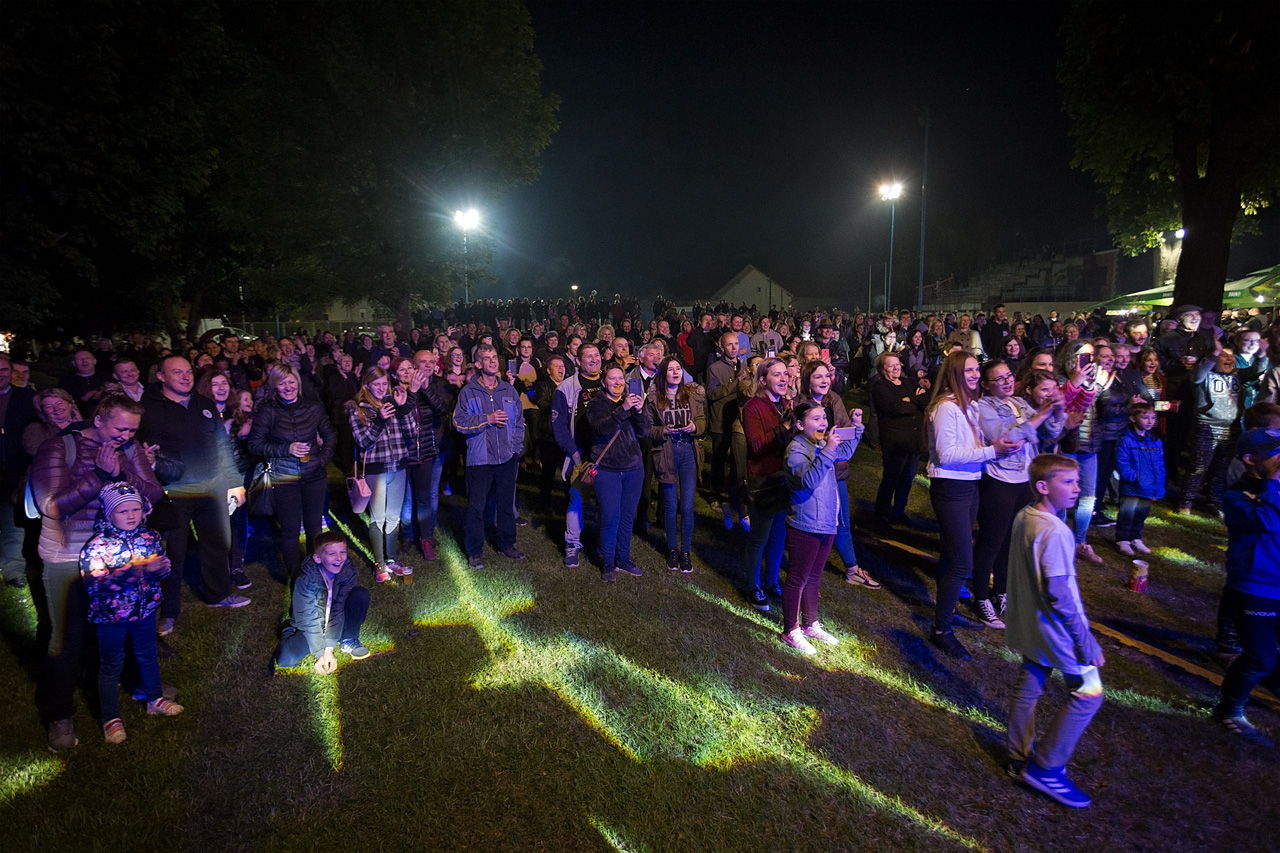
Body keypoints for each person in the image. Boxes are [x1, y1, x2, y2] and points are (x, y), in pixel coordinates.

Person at [30, 394, 164, 751]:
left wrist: (122, 472)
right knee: (67, 638)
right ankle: (59, 713)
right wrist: (100, 474)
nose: (126, 435)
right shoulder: (59, 447)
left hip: (119, 555)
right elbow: (51, 505)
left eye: (132, 430)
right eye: (120, 428)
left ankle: (144, 685)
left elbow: (154, 492)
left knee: (128, 625)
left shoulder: (129, 449)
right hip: (68, 557)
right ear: (99, 419)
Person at [1005, 454, 1105, 808]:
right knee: (1090, 692)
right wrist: (1086, 640)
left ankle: (1018, 757)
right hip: (1056, 628)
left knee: (1032, 678)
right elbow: (1060, 593)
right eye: (1068, 482)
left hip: (1030, 623)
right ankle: (1047, 767)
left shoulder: (1025, 516)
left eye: (1078, 482)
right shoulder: (1055, 531)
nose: (1077, 489)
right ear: (1043, 486)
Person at [926, 351, 1022, 660]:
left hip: (969, 486)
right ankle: (941, 630)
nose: (975, 375)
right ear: (954, 372)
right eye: (967, 370)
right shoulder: (946, 408)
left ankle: (947, 610)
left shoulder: (970, 406)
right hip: (951, 487)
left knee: (950, 555)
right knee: (962, 564)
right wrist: (991, 452)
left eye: (976, 369)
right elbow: (946, 455)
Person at [139, 356, 248, 624]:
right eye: (177, 372)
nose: (186, 376)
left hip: (211, 489)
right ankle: (169, 610)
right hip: (173, 491)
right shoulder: (147, 409)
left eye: (188, 371)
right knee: (173, 552)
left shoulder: (205, 404)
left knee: (216, 545)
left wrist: (234, 481)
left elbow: (223, 446)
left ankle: (218, 594)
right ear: (161, 376)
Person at [80, 482, 183, 744]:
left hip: (144, 611)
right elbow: (96, 584)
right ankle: (110, 718)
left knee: (148, 654)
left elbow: (160, 570)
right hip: (111, 617)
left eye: (136, 509)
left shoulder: (149, 536)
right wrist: (140, 571)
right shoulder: (97, 546)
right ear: (108, 513)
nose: (131, 515)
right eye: (122, 511)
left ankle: (154, 697)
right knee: (111, 664)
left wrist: (161, 568)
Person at [972, 362, 1067, 628]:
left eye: (1009, 375)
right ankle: (980, 599)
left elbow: (1049, 433)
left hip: (1024, 480)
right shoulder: (985, 407)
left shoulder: (1018, 403)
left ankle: (1001, 592)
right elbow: (1006, 437)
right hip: (999, 480)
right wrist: (1040, 416)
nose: (1006, 381)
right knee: (990, 542)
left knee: (1012, 543)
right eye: (998, 378)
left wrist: (1056, 411)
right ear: (986, 385)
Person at [1212, 427, 1280, 746]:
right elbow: (1268, 523)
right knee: (1260, 656)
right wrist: (1274, 484)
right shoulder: (1236, 495)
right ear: (1252, 460)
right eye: (1275, 454)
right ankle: (1230, 709)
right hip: (1255, 587)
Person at [778, 400, 861, 654]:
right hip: (806, 523)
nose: (823, 423)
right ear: (801, 425)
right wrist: (827, 451)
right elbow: (807, 480)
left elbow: (844, 454)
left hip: (826, 521)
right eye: (816, 419)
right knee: (797, 579)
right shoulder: (796, 450)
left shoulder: (820, 444)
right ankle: (790, 630)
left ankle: (810, 623)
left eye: (824, 418)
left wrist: (856, 429)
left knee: (814, 576)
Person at [249, 362, 337, 578]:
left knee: (314, 528)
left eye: (291, 381)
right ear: (274, 386)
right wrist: (286, 448)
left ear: (298, 382)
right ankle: (297, 575)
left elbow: (331, 436)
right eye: (281, 383)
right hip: (284, 479)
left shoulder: (313, 407)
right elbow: (254, 444)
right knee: (289, 531)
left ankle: (315, 571)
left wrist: (321, 460)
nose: (287, 387)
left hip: (314, 477)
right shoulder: (267, 410)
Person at [800, 360, 875, 588]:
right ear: (807, 380)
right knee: (809, 523)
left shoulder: (834, 399)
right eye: (817, 377)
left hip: (836, 470)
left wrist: (854, 424)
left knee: (841, 521)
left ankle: (852, 568)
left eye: (826, 376)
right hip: (813, 469)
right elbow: (803, 438)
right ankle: (806, 572)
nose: (824, 381)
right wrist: (827, 441)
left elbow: (845, 433)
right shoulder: (801, 405)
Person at [453, 344, 525, 568]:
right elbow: (459, 423)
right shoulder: (468, 392)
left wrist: (515, 448)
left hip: (507, 458)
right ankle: (474, 550)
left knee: (505, 503)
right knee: (476, 506)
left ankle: (506, 544)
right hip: (480, 460)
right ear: (478, 364)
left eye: (495, 357)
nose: (493, 361)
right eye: (487, 358)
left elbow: (520, 421)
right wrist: (487, 418)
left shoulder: (508, 390)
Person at [346, 366, 416, 582]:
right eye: (376, 384)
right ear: (366, 385)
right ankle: (380, 563)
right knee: (378, 517)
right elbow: (363, 441)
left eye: (384, 383)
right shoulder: (357, 408)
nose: (381, 388)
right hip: (376, 470)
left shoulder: (393, 404)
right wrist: (379, 420)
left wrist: (403, 409)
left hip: (399, 466)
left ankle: (392, 559)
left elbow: (412, 433)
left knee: (393, 516)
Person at [586, 366, 650, 581]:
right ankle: (607, 562)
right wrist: (623, 408)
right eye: (612, 378)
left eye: (621, 378)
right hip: (607, 470)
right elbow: (602, 428)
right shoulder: (596, 404)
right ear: (603, 382)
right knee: (610, 517)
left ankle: (623, 559)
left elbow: (645, 430)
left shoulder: (632, 400)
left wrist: (639, 411)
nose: (617, 382)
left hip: (633, 467)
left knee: (626, 518)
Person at [275, 531, 372, 670]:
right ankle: (288, 630)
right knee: (285, 659)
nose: (339, 558)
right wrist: (320, 653)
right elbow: (308, 618)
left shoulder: (348, 572)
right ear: (318, 558)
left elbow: (338, 608)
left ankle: (348, 639)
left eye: (342, 552)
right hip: (312, 624)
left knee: (360, 594)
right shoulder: (305, 580)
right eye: (332, 554)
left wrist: (329, 649)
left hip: (335, 621)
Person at [741, 358, 794, 611]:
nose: (784, 379)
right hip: (763, 480)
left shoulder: (784, 405)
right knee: (759, 538)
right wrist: (783, 428)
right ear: (763, 380)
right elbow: (757, 446)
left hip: (783, 478)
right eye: (777, 375)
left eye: (785, 374)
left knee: (779, 537)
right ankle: (753, 586)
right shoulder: (753, 407)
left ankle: (772, 581)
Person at [647, 356, 704, 572]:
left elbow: (701, 419)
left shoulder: (691, 395)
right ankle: (672, 549)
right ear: (663, 374)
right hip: (666, 451)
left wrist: (694, 427)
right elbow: (647, 428)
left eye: (678, 368)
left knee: (688, 506)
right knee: (670, 506)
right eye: (670, 369)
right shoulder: (654, 399)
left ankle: (686, 551)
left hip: (688, 451)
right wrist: (663, 431)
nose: (675, 372)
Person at [551, 343, 605, 568]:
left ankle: (604, 544)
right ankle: (572, 544)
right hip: (580, 453)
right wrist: (573, 453)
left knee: (606, 499)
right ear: (578, 361)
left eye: (597, 355)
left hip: (606, 452)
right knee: (576, 499)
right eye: (589, 356)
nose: (594, 359)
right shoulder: (566, 388)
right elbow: (559, 425)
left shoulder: (610, 381)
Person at [1181, 338, 1239, 513]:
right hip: (1207, 425)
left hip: (1230, 427)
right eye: (1223, 355)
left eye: (1232, 355)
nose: (1229, 358)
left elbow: (1257, 369)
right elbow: (1200, 371)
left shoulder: (1236, 377)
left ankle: (1214, 501)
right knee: (1198, 466)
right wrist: (1214, 352)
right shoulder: (1202, 375)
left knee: (1222, 468)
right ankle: (1186, 501)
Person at [870, 352, 927, 526]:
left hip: (913, 441)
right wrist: (914, 401)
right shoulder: (880, 387)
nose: (896, 367)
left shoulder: (909, 381)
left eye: (897, 364)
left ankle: (899, 511)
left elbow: (926, 400)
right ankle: (882, 514)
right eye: (890, 365)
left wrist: (911, 400)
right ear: (882, 368)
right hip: (895, 442)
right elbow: (895, 408)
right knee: (891, 478)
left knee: (907, 479)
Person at [0, 353, 39, 588]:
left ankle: (13, 569)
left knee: (13, 524)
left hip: (16, 469)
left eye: (4, 370)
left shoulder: (27, 398)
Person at [1114, 401, 1164, 556]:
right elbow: (1122, 463)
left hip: (1148, 486)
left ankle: (1136, 537)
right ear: (1133, 418)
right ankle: (1122, 539)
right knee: (1127, 513)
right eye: (1145, 417)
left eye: (1152, 417)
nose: (1150, 421)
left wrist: (1158, 482)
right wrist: (1136, 478)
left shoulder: (1155, 440)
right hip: (1132, 485)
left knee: (1142, 513)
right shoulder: (1126, 439)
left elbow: (1159, 463)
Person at [706, 332, 746, 524]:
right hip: (720, 422)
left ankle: (733, 497)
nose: (734, 347)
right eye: (729, 344)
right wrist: (734, 385)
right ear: (722, 347)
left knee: (737, 463)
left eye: (736, 344)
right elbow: (712, 394)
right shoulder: (714, 368)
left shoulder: (744, 366)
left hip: (739, 422)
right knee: (718, 461)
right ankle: (714, 495)